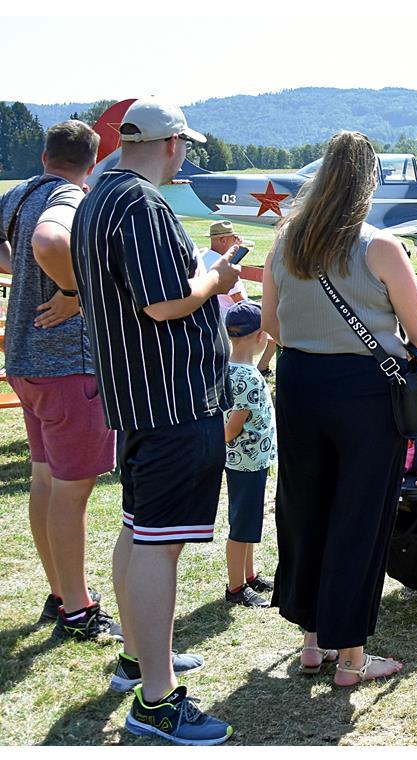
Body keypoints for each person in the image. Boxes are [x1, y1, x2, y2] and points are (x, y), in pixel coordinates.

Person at [71, 97, 239, 745]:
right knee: (157, 544)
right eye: (186, 146)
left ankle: (142, 660)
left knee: (140, 530)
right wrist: (216, 279)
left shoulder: (96, 196)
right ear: (172, 143)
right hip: (171, 400)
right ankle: (157, 700)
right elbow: (166, 303)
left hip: (140, 397)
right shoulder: (140, 204)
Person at [260, 130, 417, 687]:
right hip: (364, 390)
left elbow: (270, 326)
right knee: (359, 516)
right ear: (369, 183)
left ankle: (312, 642)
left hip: (300, 383)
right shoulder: (379, 246)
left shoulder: (284, 243)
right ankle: (352, 658)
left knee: (305, 508)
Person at [0, 120, 120, 639]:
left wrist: (19, 273)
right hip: (68, 366)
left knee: (47, 481)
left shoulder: (21, 193)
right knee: (72, 492)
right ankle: (77, 607)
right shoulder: (70, 198)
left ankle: (59, 593)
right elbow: (51, 240)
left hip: (26, 363)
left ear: (46, 154)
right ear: (92, 162)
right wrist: (74, 292)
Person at [221, 300, 277, 608]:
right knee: (242, 524)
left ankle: (249, 573)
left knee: (249, 520)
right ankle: (236, 586)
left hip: (250, 460)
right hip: (245, 462)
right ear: (260, 336)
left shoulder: (232, 369)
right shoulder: (246, 376)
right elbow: (232, 426)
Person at [202, 220, 276, 376]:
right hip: (232, 316)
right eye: (233, 237)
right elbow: (239, 298)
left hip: (215, 314)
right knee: (273, 327)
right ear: (223, 240)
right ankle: (261, 367)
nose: (237, 240)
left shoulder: (204, 256)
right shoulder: (225, 264)